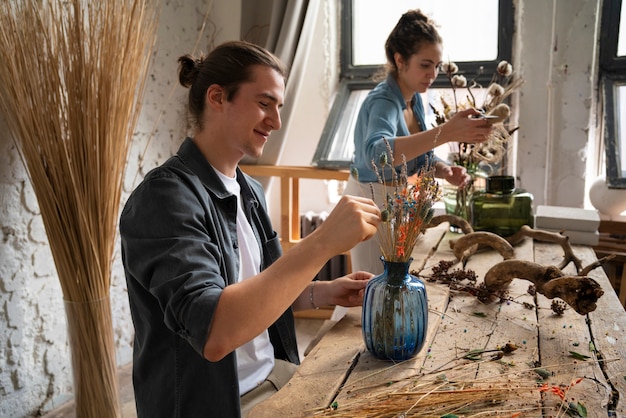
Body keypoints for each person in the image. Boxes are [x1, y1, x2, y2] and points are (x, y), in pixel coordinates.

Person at [119, 40, 381, 418]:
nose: (276, 121)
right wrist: (322, 243)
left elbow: (257, 292)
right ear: (217, 97)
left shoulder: (249, 190)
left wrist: (323, 292)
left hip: (271, 375)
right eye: (264, 103)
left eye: (279, 107)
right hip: (217, 404)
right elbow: (214, 333)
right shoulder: (164, 199)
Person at [344, 9, 494, 275]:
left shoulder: (415, 100)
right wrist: (446, 132)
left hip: (396, 202)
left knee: (392, 285)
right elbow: (377, 152)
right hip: (369, 203)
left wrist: (446, 170)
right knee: (368, 289)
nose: (433, 73)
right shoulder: (383, 101)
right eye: (425, 65)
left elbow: (419, 155)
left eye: (437, 65)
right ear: (400, 60)